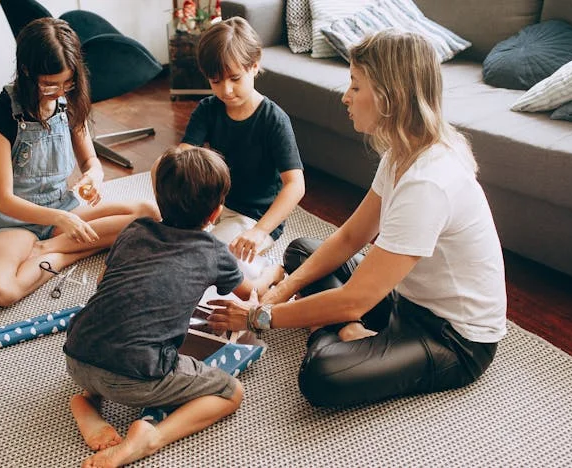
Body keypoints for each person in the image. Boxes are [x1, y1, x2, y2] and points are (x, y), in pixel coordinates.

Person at [207, 30, 507, 408]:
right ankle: (343, 329)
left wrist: (261, 317)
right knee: (301, 251)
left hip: (451, 336)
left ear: (389, 96)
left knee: (322, 376)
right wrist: (282, 291)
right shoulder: (400, 153)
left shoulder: (428, 182)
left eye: (355, 85)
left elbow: (354, 299)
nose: (345, 96)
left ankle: (339, 331)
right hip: (403, 296)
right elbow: (351, 237)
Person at [63, 146, 282, 467]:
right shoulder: (214, 252)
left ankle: (87, 402)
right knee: (231, 392)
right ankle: (152, 437)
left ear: (158, 196)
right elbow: (252, 295)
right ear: (216, 212)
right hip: (133, 376)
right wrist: (275, 273)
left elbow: (103, 283)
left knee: (114, 336)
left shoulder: (135, 229)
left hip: (77, 356)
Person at [0, 18, 157, 306]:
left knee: (149, 213)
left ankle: (50, 250)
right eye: (50, 85)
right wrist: (60, 219)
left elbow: (90, 160)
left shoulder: (68, 101)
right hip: (16, 223)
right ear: (27, 71)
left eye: (68, 82)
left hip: (63, 210)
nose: (61, 92)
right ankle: (65, 255)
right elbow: (4, 200)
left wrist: (93, 177)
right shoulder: (0, 114)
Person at [170, 16, 305, 273]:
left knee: (203, 262)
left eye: (234, 78)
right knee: (169, 245)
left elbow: (295, 185)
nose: (226, 91)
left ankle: (270, 274)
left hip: (254, 218)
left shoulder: (274, 120)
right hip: (213, 207)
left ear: (254, 66)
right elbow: (184, 155)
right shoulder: (208, 109)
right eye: (215, 81)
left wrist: (260, 231)